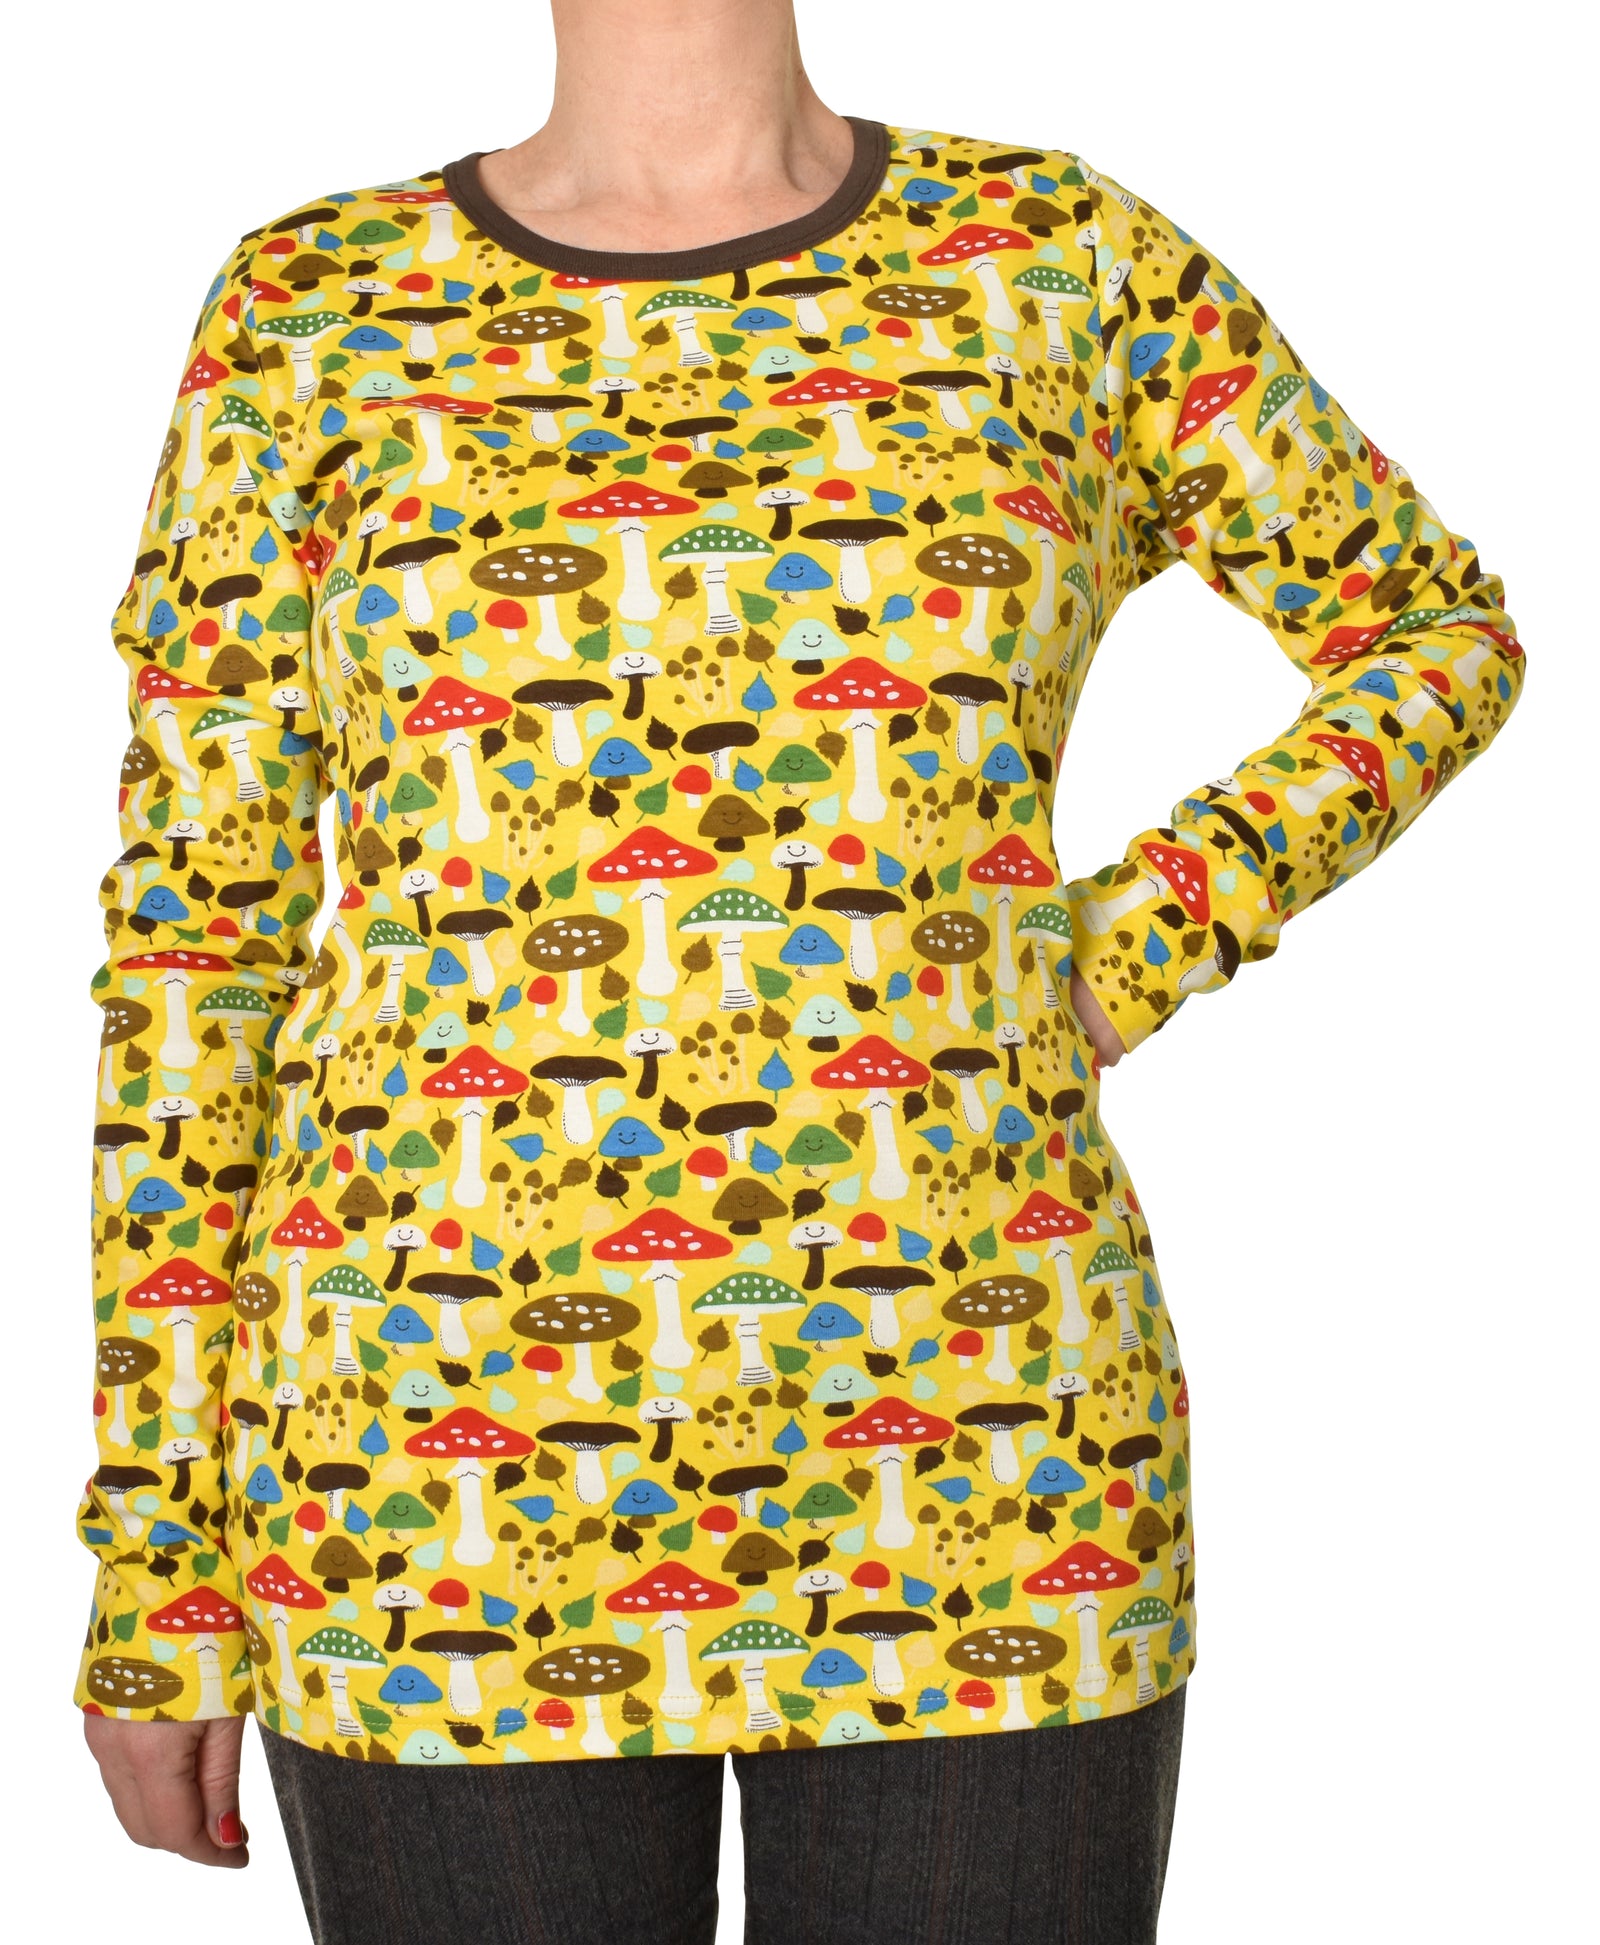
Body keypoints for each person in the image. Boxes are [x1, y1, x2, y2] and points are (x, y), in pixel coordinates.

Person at [75, 3, 1526, 1939]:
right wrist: (156, 1559)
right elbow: (199, 943)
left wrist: (1135, 936)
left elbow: (1428, 629)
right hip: (423, 1493)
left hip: (991, 1457)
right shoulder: (310, 305)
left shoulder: (1056, 260)